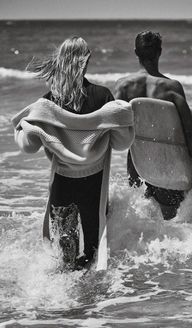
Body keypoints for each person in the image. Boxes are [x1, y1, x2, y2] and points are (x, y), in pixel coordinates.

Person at [12, 36, 134, 271]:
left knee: (64, 256)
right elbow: (122, 142)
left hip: (62, 183)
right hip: (94, 182)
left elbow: (29, 146)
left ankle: (65, 303)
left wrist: (22, 129)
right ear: (85, 61)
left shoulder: (48, 103)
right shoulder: (103, 96)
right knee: (92, 253)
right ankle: (91, 304)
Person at [115, 31, 192, 220]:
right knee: (172, 226)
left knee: (141, 224)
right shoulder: (172, 87)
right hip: (168, 166)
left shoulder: (123, 86)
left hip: (137, 166)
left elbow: (114, 129)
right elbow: (189, 131)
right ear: (160, 52)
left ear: (136, 52)